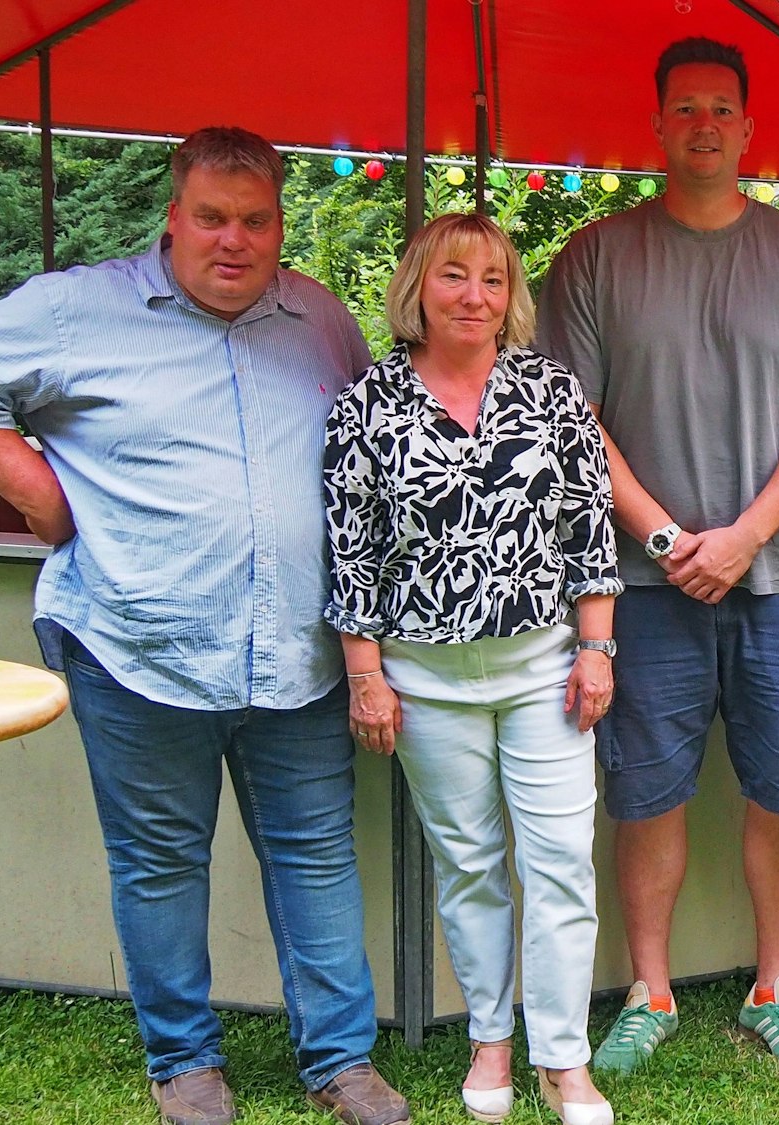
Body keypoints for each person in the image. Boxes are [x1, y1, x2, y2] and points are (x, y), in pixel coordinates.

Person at [0, 127, 407, 1125]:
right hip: (139, 646)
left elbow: (354, 451)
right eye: (211, 218)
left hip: (297, 651)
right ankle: (185, 1063)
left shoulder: (318, 316)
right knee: (162, 862)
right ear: (173, 216)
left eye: (255, 221)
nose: (233, 240)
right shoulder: (77, 308)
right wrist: (43, 501)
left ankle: (342, 1063)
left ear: (279, 224)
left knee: (316, 854)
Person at [534, 37, 779, 1073]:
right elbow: (570, 419)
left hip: (778, 585)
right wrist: (666, 536)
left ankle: (776, 984)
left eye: (720, 109)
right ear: (655, 126)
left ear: (747, 128)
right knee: (646, 792)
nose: (702, 125)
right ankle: (651, 991)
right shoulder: (594, 257)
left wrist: (742, 537)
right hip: (642, 587)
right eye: (683, 108)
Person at [324, 213, 621, 1125]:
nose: (474, 296)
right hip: (424, 677)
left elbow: (589, 528)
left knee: (563, 860)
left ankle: (563, 1057)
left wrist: (597, 646)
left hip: (543, 669)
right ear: (418, 286)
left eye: (493, 279)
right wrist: (366, 676)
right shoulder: (365, 407)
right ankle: (492, 1036)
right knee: (469, 864)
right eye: (454, 275)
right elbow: (352, 555)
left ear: (511, 297)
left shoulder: (553, 392)